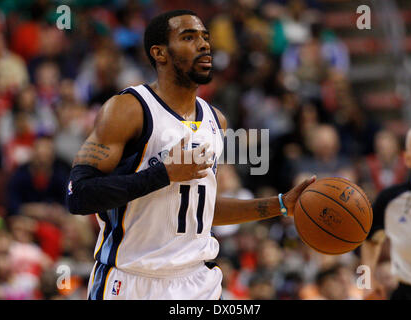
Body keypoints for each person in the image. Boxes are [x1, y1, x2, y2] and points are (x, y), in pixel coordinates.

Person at [65, 10, 316, 300]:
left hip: (197, 281)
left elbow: (201, 210)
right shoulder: (128, 109)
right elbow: (78, 196)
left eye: (206, 38)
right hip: (132, 280)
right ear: (159, 53)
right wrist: (163, 175)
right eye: (189, 37)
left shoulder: (215, 119)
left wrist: (280, 205)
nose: (204, 44)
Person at [361, 124, 411, 300]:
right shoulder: (389, 200)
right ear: (407, 158)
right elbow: (369, 242)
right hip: (407, 292)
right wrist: (364, 284)